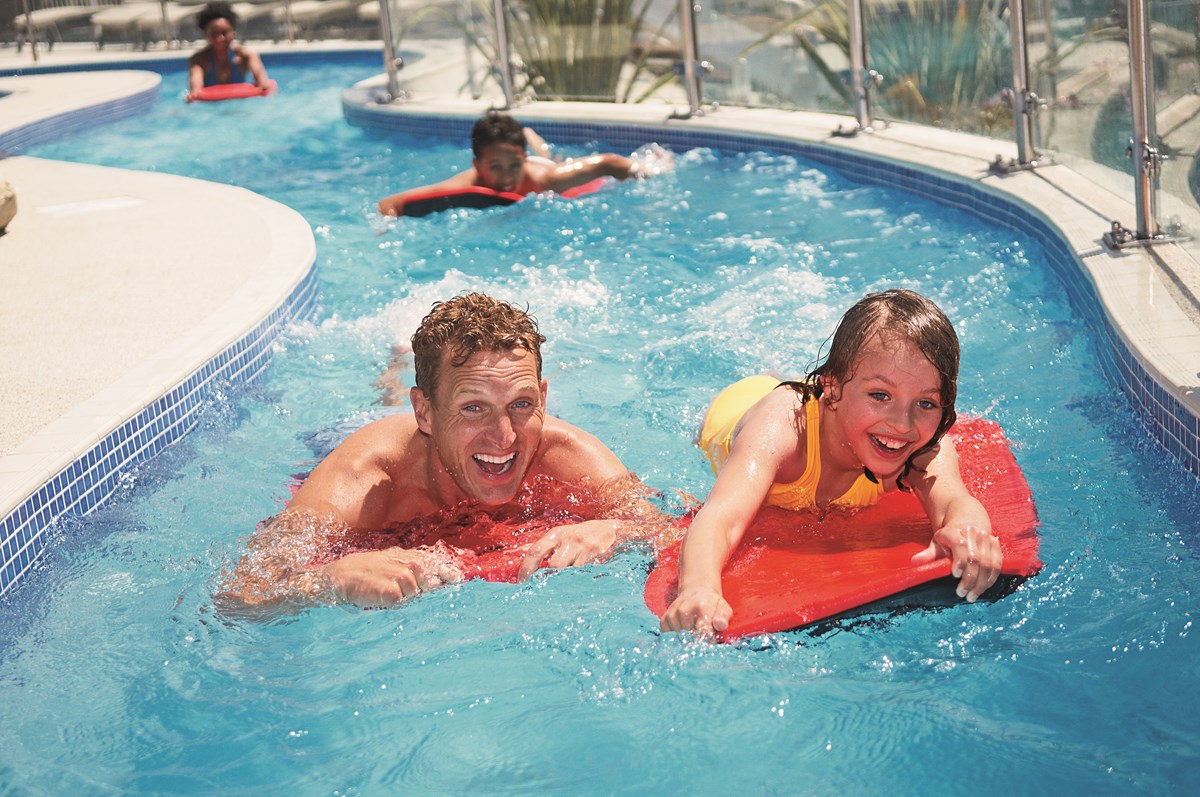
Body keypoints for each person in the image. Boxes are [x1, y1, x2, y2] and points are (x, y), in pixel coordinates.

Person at [224, 292, 664, 609]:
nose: (505, 437)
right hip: (348, 435)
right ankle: (393, 371)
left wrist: (615, 530)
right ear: (426, 413)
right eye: (473, 408)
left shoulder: (567, 455)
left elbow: (676, 527)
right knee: (376, 406)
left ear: (544, 399)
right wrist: (328, 578)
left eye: (522, 405)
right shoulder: (367, 478)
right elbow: (240, 592)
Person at [660, 289, 1004, 638]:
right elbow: (721, 517)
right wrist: (698, 588)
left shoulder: (922, 446)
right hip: (735, 410)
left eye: (926, 403)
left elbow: (955, 501)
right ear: (832, 387)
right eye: (880, 396)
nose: (903, 423)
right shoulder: (782, 432)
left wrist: (969, 534)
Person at [377, 111, 670, 217]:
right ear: (477, 166)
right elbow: (390, 203)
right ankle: (526, 135)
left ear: (523, 159)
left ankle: (531, 138)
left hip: (543, 162)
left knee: (552, 157)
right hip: (524, 156)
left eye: (513, 166)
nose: (507, 178)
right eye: (495, 167)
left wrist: (644, 171)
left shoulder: (549, 179)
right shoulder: (468, 182)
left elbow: (607, 163)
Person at [187, 2, 271, 101]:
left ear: (233, 32)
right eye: (214, 34)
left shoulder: (246, 56)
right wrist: (195, 93)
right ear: (206, 35)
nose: (220, 38)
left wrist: (264, 87)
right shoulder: (199, 60)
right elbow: (196, 87)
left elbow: (263, 84)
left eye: (224, 32)